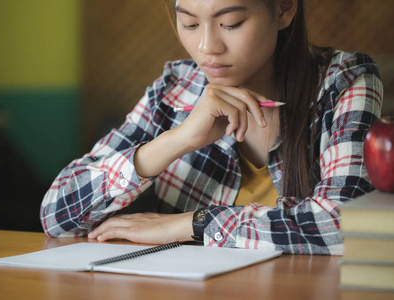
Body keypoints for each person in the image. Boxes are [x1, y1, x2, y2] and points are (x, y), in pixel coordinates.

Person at [40, 0, 383, 255]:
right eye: (189, 24)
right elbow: (56, 213)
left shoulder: (344, 81)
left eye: (231, 23)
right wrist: (178, 140)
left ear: (284, 9)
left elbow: (346, 226)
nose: (207, 48)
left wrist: (192, 224)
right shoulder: (175, 87)